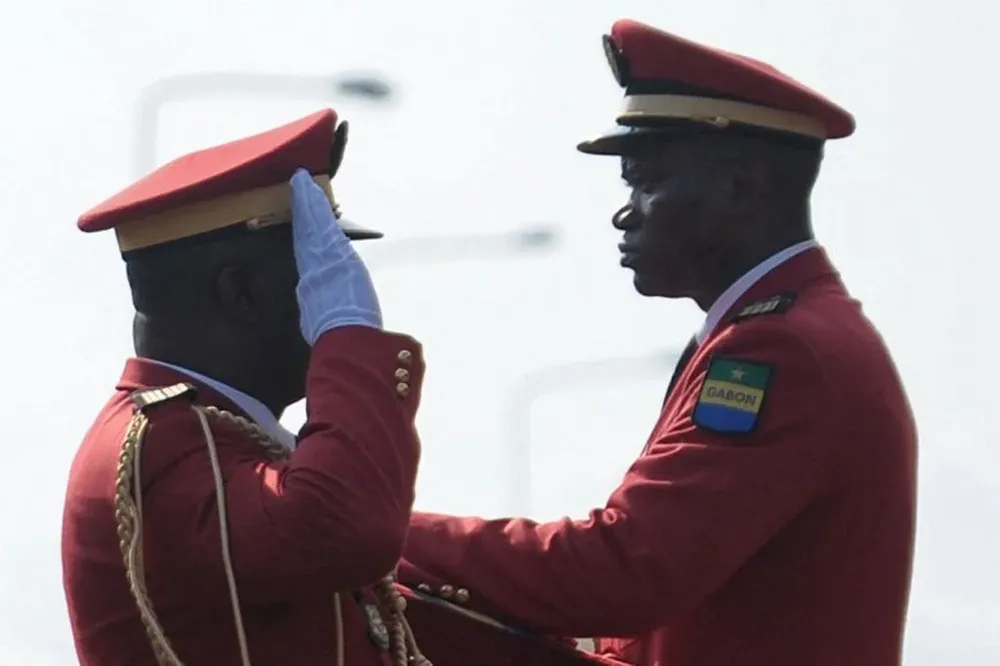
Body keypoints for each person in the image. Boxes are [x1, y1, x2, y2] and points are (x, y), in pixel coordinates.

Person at [396, 19, 918, 666]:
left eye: (647, 181)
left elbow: (623, 573)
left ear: (744, 185)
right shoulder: (787, 330)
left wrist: (383, 535)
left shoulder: (781, 353)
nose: (625, 212)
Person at [62, 109, 432, 666]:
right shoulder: (159, 446)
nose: (340, 290)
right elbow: (342, 528)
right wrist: (348, 337)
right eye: (317, 273)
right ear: (241, 293)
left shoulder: (218, 438)